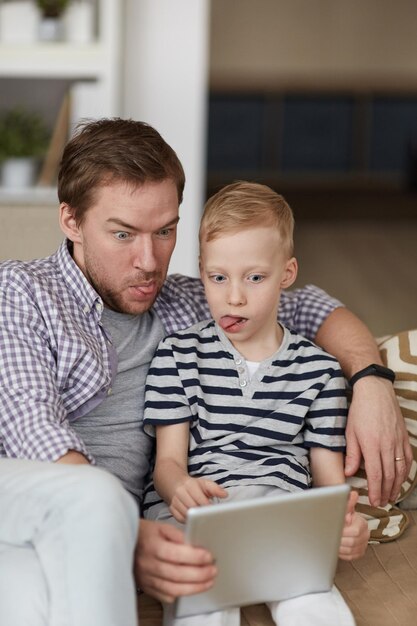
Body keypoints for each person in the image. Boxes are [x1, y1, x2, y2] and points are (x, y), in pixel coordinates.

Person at [0, 118, 410, 623]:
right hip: (29, 492)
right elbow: (30, 426)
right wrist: (126, 534)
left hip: (99, 531)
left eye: (166, 231)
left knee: (31, 599)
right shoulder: (22, 291)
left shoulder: (193, 301)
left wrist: (371, 380)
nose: (149, 261)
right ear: (70, 220)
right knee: (95, 502)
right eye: (123, 234)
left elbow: (309, 310)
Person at [142, 181, 370, 626]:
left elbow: (328, 487)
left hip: (278, 520)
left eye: (255, 277)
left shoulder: (320, 372)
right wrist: (178, 488)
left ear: (286, 274)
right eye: (218, 277)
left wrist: (342, 529)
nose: (235, 296)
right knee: (201, 607)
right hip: (194, 520)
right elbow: (167, 463)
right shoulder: (177, 354)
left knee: (314, 605)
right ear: (202, 270)